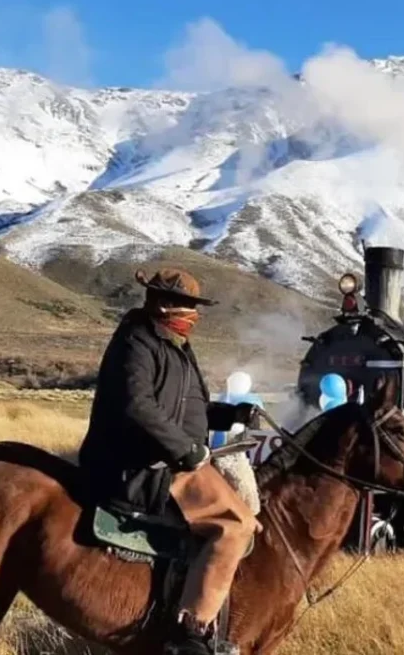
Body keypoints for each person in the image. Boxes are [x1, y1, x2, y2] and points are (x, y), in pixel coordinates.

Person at [78, 268, 260, 655]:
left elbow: (184, 409)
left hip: (168, 458)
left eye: (195, 306)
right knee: (237, 526)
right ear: (161, 302)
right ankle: (190, 634)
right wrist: (186, 450)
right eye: (185, 305)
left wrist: (229, 416)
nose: (192, 314)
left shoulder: (175, 344)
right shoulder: (137, 341)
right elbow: (137, 405)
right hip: (141, 466)